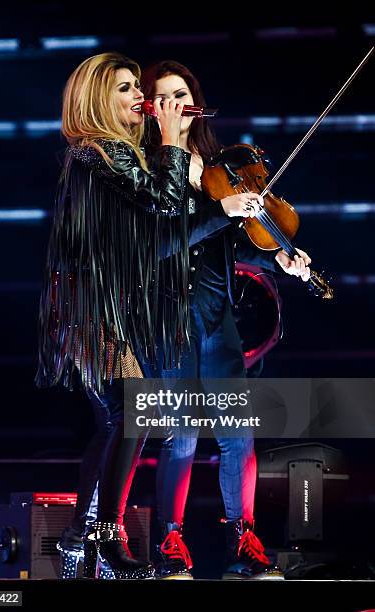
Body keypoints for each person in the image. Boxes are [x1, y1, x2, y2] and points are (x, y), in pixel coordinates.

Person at [35, 52, 266, 580]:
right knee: (136, 420)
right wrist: (170, 145)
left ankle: (88, 537)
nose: (139, 98)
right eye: (124, 89)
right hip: (98, 310)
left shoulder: (121, 156)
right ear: (97, 99)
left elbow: (173, 227)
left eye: (135, 86)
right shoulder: (102, 155)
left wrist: (255, 236)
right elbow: (165, 215)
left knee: (125, 421)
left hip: (116, 310)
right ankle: (101, 536)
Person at [141, 60, 312, 580]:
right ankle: (170, 543)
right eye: (167, 96)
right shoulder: (148, 168)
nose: (179, 104)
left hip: (218, 318)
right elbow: (166, 239)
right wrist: (224, 211)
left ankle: (244, 540)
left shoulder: (214, 165)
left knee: (238, 435)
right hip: (169, 317)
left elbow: (230, 242)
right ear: (152, 109)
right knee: (183, 436)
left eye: (185, 94)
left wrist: (276, 256)